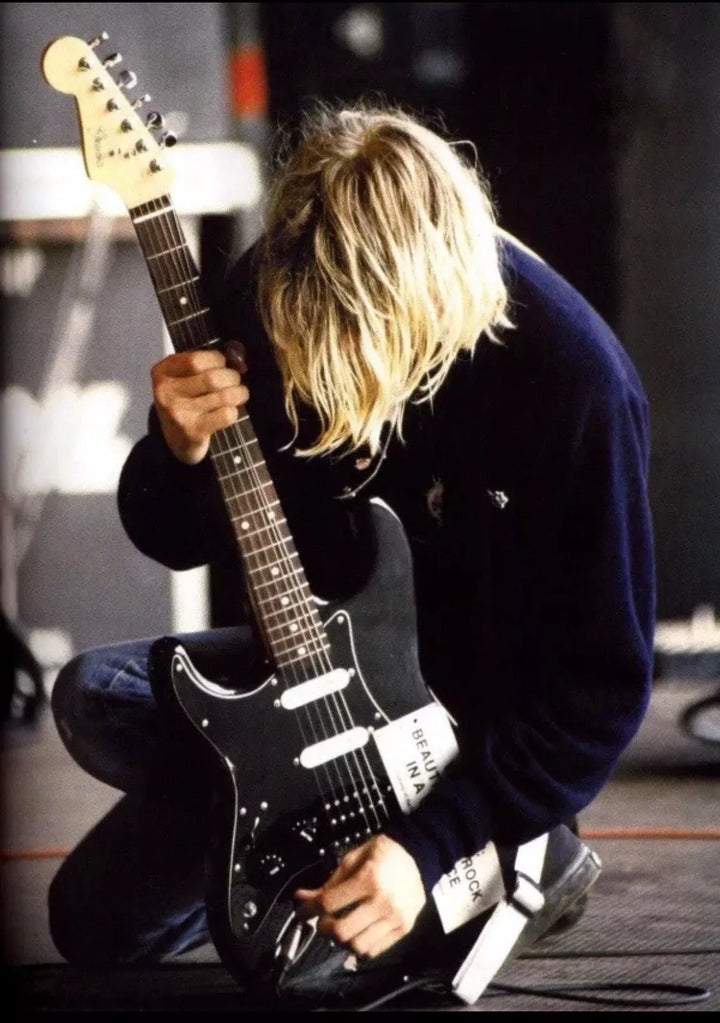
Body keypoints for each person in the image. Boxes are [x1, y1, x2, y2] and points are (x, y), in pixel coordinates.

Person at [48, 103, 656, 1007]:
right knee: (93, 719)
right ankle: (300, 825)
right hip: (313, 686)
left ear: (427, 300)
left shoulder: (579, 384)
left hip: (456, 742)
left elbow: (600, 692)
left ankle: (509, 852)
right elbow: (172, 536)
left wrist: (429, 844)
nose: (323, 374)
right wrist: (173, 450)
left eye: (353, 353)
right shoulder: (282, 286)